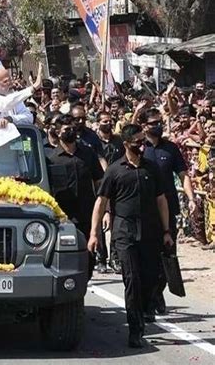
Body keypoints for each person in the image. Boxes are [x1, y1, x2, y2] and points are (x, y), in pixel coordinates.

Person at [88, 124, 173, 349]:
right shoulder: (114, 170)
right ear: (126, 144)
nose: (141, 146)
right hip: (125, 234)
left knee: (151, 278)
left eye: (142, 141)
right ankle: (135, 330)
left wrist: (166, 232)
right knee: (132, 280)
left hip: (151, 233)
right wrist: (94, 234)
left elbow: (161, 200)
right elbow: (101, 202)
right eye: (137, 142)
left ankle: (146, 307)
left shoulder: (152, 169)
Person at [141, 108, 196, 314]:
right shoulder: (139, 149)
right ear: (145, 126)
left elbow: (183, 175)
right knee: (148, 257)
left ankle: (158, 292)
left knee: (168, 254)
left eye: (159, 122)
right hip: (145, 212)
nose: (158, 126)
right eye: (153, 122)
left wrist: (191, 198)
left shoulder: (171, 149)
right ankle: (149, 296)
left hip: (168, 210)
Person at [46, 114, 104, 279]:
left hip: (86, 213)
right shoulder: (51, 158)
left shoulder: (87, 153)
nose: (70, 131)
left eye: (72, 128)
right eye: (66, 129)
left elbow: (98, 180)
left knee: (89, 253)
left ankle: (85, 281)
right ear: (58, 132)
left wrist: (105, 208)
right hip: (62, 216)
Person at [95, 111, 125, 274]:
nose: (108, 123)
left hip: (117, 186)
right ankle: (101, 258)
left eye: (110, 121)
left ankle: (115, 258)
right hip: (99, 185)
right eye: (104, 121)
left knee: (114, 223)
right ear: (98, 123)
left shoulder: (118, 141)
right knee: (100, 222)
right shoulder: (94, 142)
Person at [0, 63, 43, 127]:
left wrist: (11, 119)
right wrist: (33, 88)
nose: (10, 83)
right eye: (5, 81)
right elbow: (4, 104)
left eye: (10, 79)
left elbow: (29, 117)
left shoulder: (13, 96)